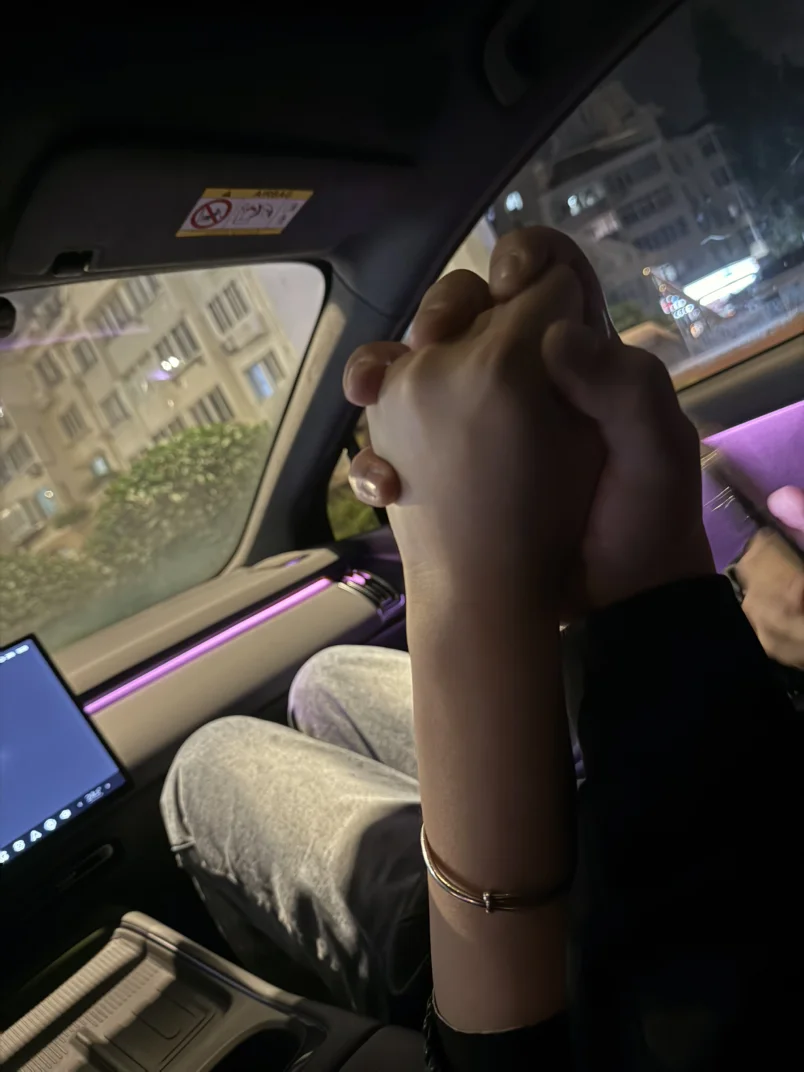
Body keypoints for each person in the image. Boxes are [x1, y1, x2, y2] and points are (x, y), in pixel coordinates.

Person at [162, 228, 802, 1067]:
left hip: (602, 976)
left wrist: (468, 595)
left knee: (211, 761)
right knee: (326, 678)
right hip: (728, 818)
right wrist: (645, 577)